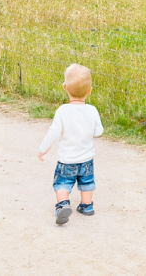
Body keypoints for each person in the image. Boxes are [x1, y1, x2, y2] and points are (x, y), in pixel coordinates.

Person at [38, 64, 104, 225]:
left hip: (67, 160)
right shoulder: (92, 110)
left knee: (62, 182)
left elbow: (53, 132)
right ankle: (87, 206)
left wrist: (43, 149)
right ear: (90, 90)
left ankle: (63, 204)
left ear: (65, 87)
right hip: (87, 159)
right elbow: (98, 132)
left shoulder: (62, 111)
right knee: (87, 182)